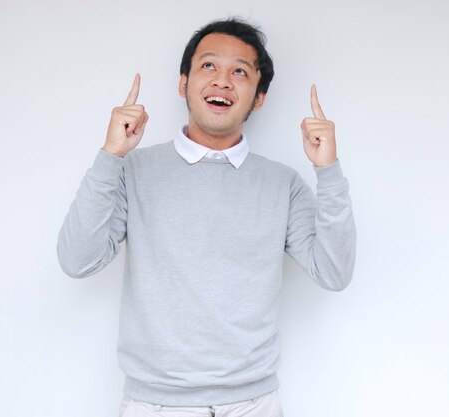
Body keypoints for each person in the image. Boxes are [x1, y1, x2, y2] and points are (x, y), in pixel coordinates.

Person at [57, 17, 356, 417]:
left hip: (254, 404)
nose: (222, 81)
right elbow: (77, 260)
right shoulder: (133, 171)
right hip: (156, 404)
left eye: (240, 72)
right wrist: (110, 156)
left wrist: (328, 169)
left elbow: (334, 273)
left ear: (259, 97)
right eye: (209, 66)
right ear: (184, 83)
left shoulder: (282, 183)